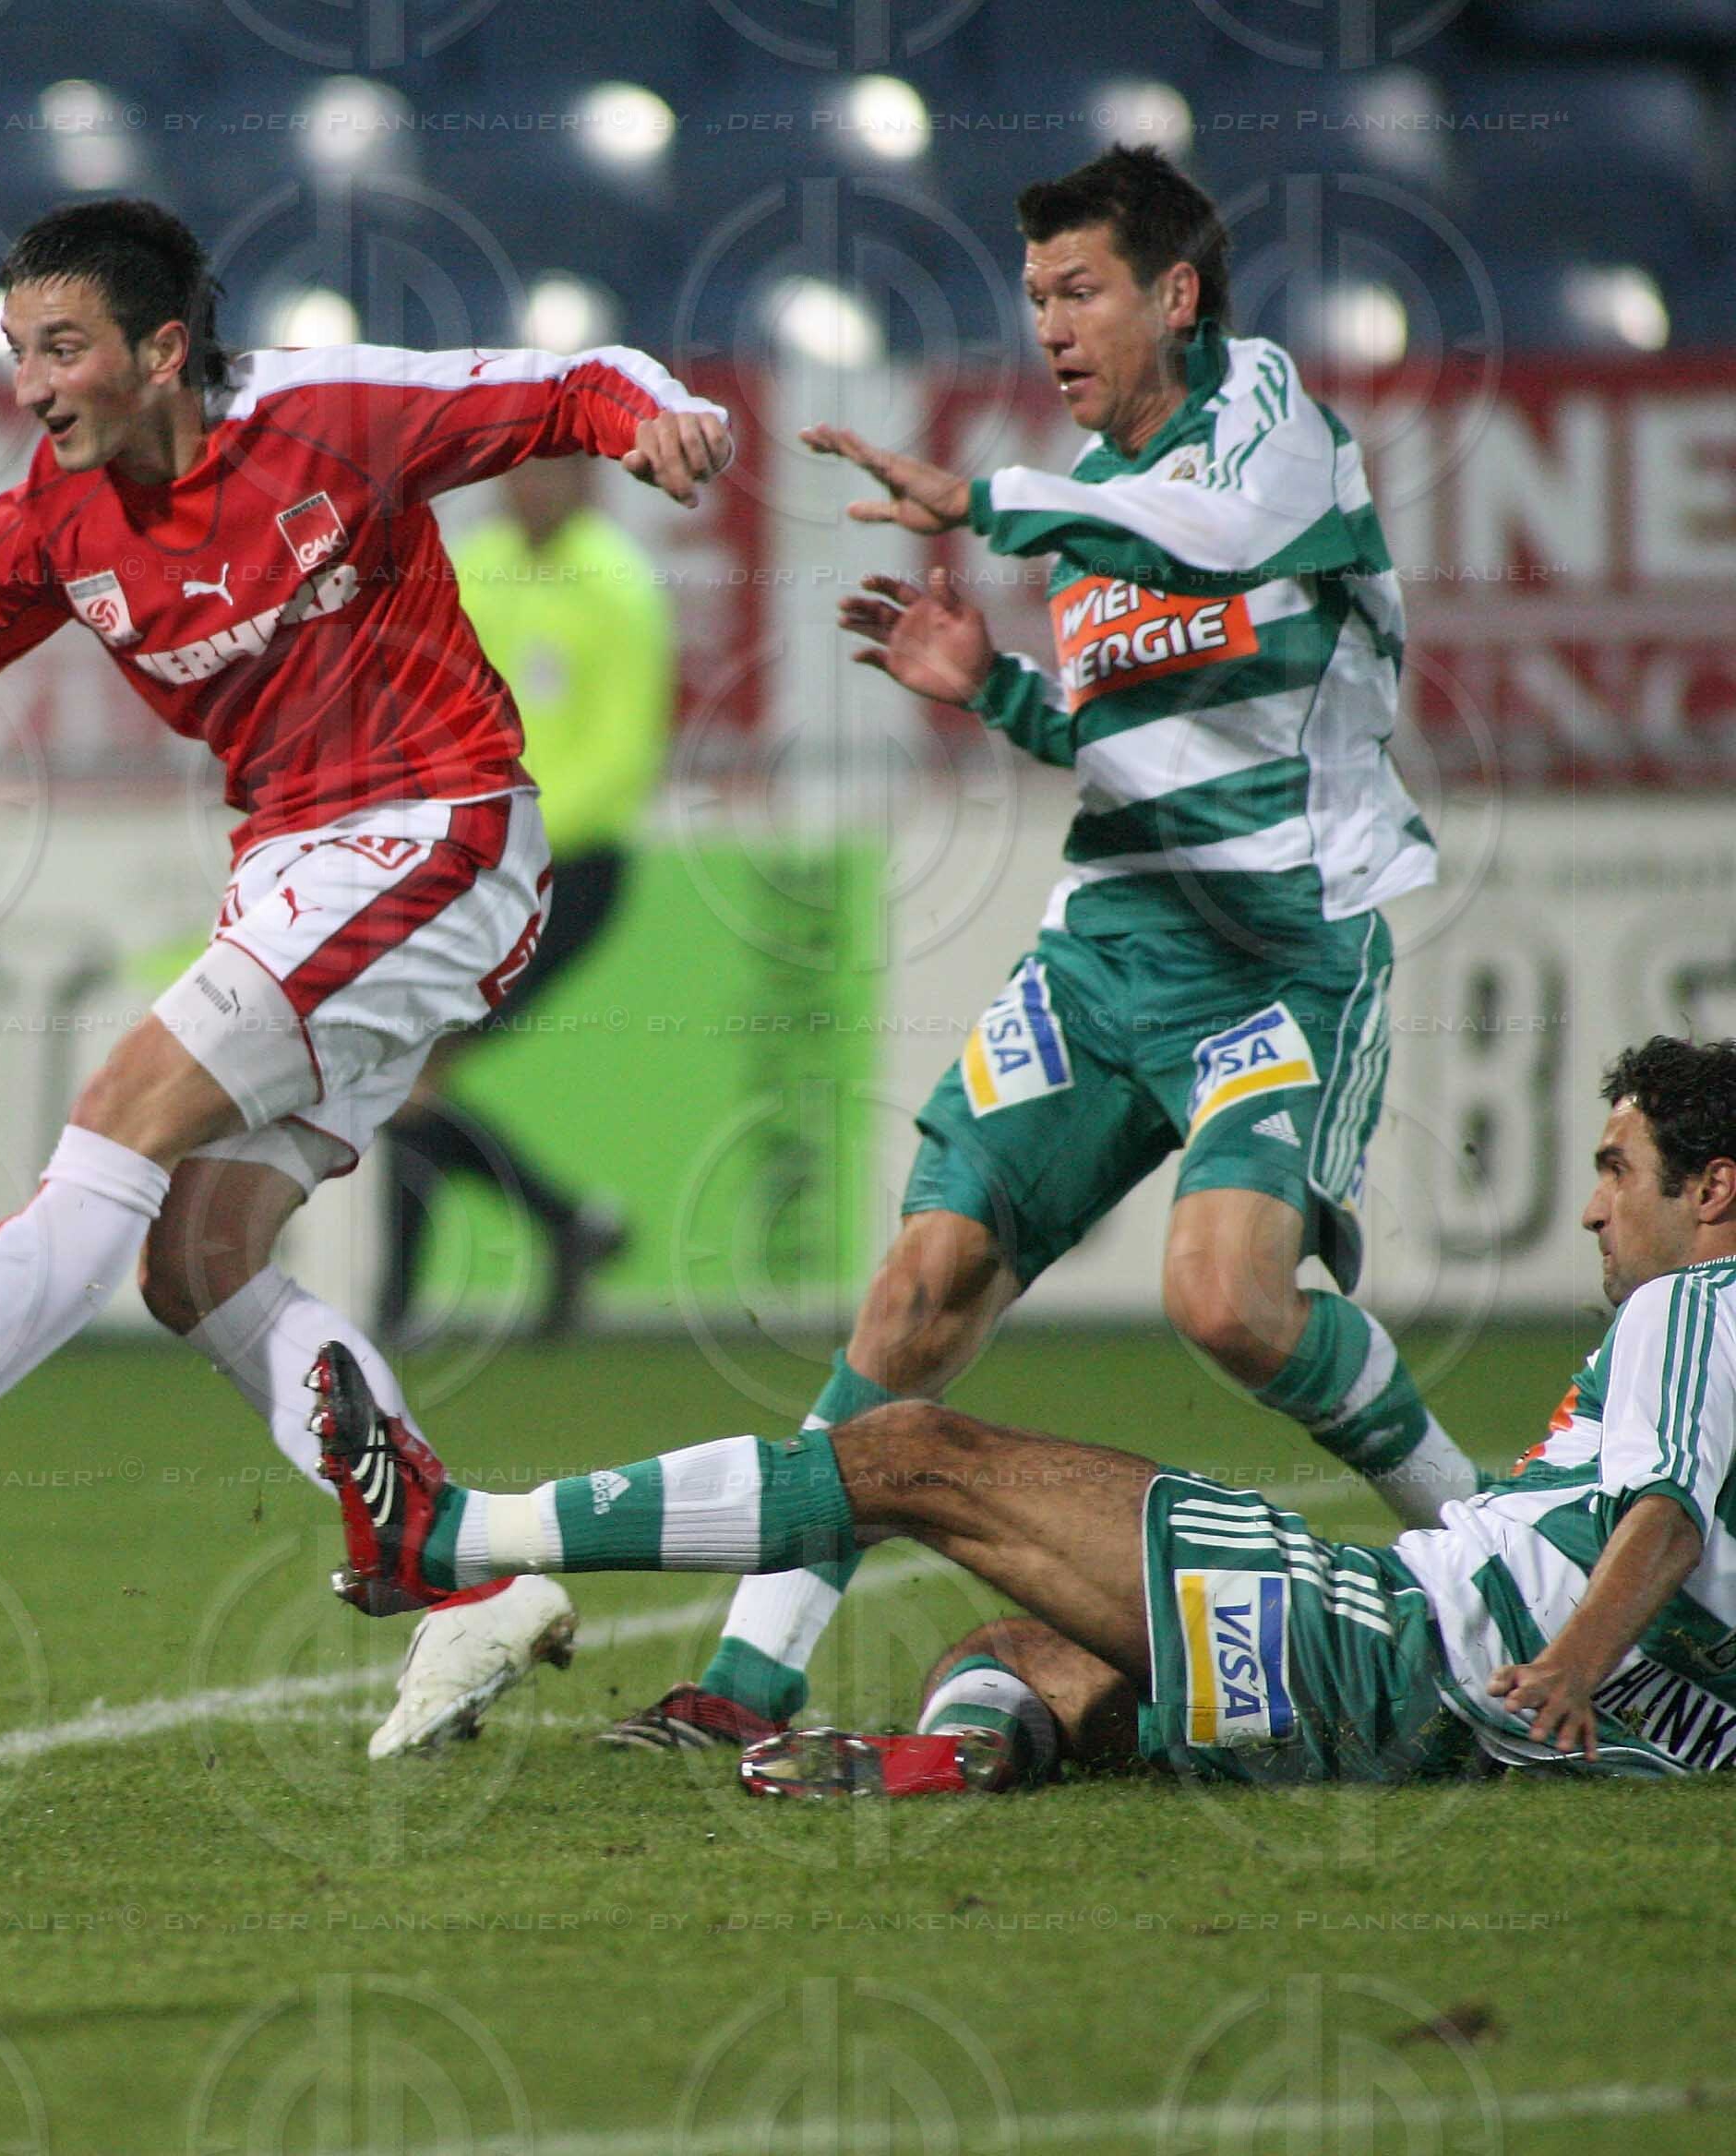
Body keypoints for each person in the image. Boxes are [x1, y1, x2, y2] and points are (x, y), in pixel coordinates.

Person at [0, 198, 735, 1757]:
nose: (29, 385)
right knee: (193, 1258)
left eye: (62, 347)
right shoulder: (48, 519)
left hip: (438, 830)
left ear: (161, 348)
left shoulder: (325, 416)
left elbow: (565, 381)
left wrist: (653, 418)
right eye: (14, 350)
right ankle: (462, 1581)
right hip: (297, 866)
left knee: (121, 1106)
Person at [608, 143, 1479, 1755]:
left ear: (1175, 292)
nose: (1051, 329)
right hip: (1105, 951)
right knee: (919, 1286)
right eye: (1031, 300)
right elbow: (1125, 729)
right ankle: (739, 1686)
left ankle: (1495, 1564)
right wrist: (993, 690)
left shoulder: (1268, 431)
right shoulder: (1086, 500)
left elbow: (1207, 546)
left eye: (1079, 291)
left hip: (1274, 954)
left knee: (1225, 1303)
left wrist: (985, 503)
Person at [320, 1036, 1736, 1792]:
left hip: (1393, 1648)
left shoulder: (1700, 1305)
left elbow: (1661, 1516)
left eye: (1622, 1168)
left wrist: (1560, 1672)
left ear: (1715, 1190)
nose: (1595, 1205)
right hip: (1411, 1719)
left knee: (911, 1455)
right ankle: (967, 1754)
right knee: (1012, 1642)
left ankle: (451, 1536)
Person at [377, 455, 669, 1343]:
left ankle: (402, 1302)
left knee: (411, 1069)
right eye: (518, 474)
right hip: (475, 863)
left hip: (569, 869)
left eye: (552, 475)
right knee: (407, 1069)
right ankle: (565, 1227)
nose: (530, 490)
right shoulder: (476, 564)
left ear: (589, 484)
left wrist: (511, 820)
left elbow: (625, 754)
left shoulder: (618, 585)